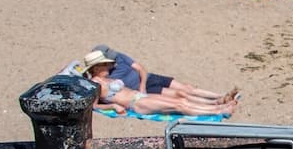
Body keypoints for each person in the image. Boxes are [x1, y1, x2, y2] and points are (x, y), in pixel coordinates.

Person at [76, 47, 237, 116]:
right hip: (135, 104)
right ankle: (219, 111)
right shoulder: (95, 84)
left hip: (140, 96)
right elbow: (94, 106)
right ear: (96, 67)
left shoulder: (106, 77)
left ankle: (218, 105)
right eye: (105, 64)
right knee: (178, 105)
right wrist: (113, 105)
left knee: (180, 99)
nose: (110, 66)